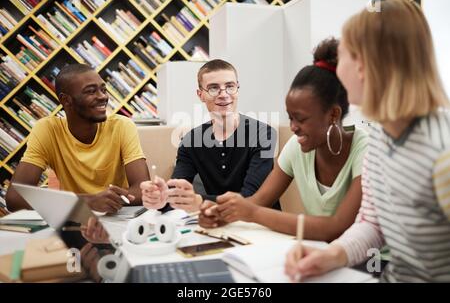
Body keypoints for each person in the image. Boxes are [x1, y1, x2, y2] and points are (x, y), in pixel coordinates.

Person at [285, 0, 450, 282]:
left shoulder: (442, 152)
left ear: (364, 65)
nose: (336, 68)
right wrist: (332, 255)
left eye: (344, 55)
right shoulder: (380, 139)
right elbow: (372, 224)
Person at [199, 39, 368, 242]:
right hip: (322, 254)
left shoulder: (366, 150)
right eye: (290, 117)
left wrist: (250, 212)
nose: (293, 127)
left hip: (372, 261)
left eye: (301, 119)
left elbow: (336, 228)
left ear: (333, 114)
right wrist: (221, 214)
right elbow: (258, 201)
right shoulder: (296, 147)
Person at [5, 64, 149, 214]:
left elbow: (142, 188)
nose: (103, 97)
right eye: (91, 91)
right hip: (75, 220)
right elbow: (15, 199)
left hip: (118, 217)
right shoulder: (48, 130)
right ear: (66, 100)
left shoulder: (122, 126)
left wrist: (109, 202)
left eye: (103, 89)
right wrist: (88, 201)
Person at [141, 59, 277, 213]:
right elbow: (176, 194)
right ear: (201, 95)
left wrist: (200, 201)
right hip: (217, 223)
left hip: (260, 227)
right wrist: (161, 198)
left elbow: (251, 198)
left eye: (230, 87)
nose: (224, 94)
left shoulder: (263, 134)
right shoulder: (191, 141)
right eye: (213, 88)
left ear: (237, 89)